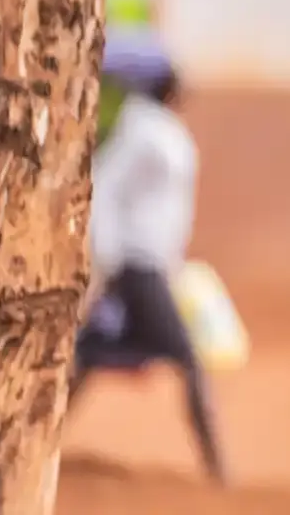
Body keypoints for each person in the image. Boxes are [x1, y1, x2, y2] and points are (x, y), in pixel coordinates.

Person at [70, 29, 227, 486]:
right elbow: (107, 190)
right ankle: (219, 471)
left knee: (90, 357)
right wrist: (109, 260)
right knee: (188, 359)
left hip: (151, 264)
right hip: (136, 266)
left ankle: (36, 436)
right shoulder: (142, 130)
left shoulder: (157, 128)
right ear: (163, 86)